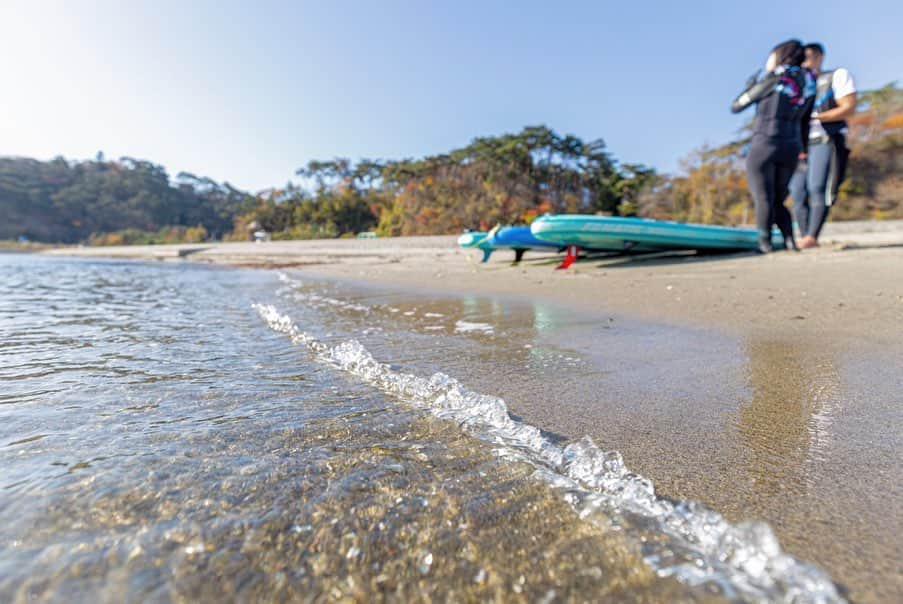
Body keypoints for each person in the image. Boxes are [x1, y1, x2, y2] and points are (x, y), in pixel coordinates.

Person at [732, 40, 816, 253]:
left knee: (763, 197)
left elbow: (737, 105)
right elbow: (806, 121)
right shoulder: (808, 81)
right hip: (792, 146)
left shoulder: (774, 78)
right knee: (779, 198)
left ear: (779, 56)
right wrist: (803, 150)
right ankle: (790, 241)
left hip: (765, 143)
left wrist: (750, 86)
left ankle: (765, 244)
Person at [789, 43, 857, 248]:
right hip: (802, 144)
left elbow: (849, 107)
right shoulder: (799, 85)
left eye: (808, 57)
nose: (804, 62)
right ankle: (803, 235)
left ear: (819, 57)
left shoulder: (836, 76)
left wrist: (818, 117)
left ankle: (812, 236)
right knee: (797, 190)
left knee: (817, 187)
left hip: (826, 139)